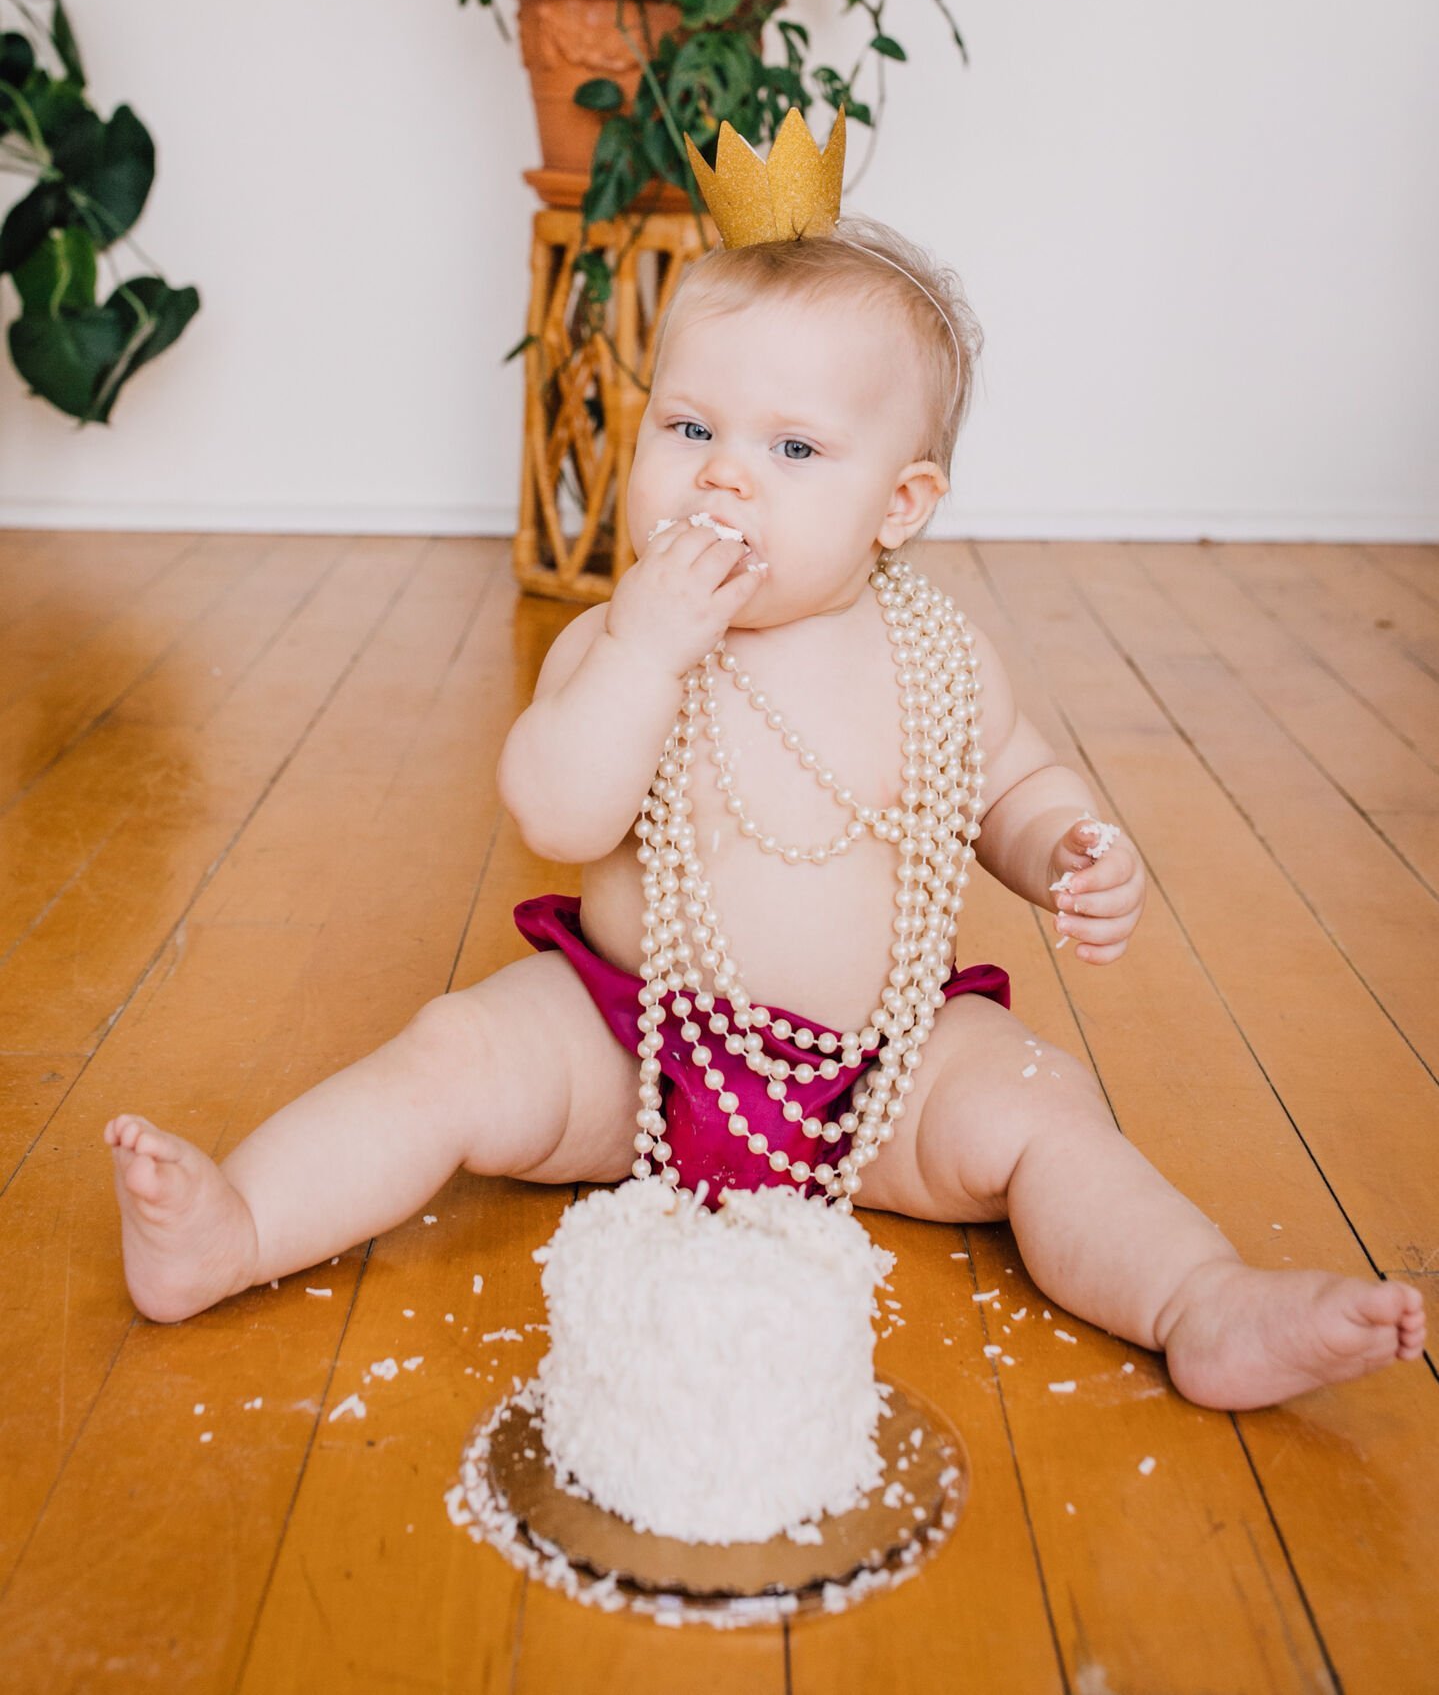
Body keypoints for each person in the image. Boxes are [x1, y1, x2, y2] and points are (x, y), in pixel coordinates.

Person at [105, 113, 1425, 1412]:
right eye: (690, 429)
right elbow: (557, 803)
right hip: (635, 1046)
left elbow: (1012, 785)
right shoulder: (625, 639)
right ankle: (238, 1224)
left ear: (898, 505)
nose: (725, 478)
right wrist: (645, 652)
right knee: (455, 1051)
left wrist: (1070, 846)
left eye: (792, 449)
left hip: (885, 1071)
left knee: (1045, 1107)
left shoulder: (937, 654)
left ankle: (1201, 1301)